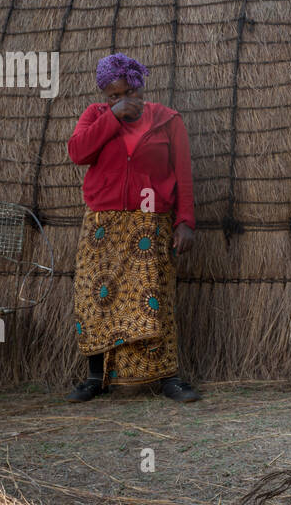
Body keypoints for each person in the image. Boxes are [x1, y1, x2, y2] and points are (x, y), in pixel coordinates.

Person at [65, 53, 200, 403]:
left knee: (154, 298)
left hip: (149, 222)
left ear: (141, 89)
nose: (123, 99)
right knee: (95, 298)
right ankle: (96, 377)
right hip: (102, 224)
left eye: (129, 93)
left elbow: (183, 173)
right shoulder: (94, 117)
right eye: (112, 95)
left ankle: (168, 378)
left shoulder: (168, 120)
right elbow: (78, 153)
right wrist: (111, 117)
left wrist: (185, 221)